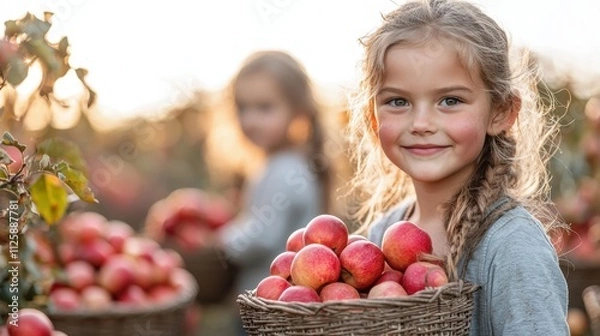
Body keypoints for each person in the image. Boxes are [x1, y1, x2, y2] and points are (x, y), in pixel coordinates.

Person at [346, 0, 569, 334]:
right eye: (398, 101)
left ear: (501, 113)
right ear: (371, 117)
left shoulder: (511, 247)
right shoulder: (381, 238)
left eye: (450, 101)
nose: (421, 123)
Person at [213, 50, 330, 333]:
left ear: (298, 111)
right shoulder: (280, 163)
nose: (250, 119)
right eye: (243, 108)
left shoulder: (285, 169)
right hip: (281, 303)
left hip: (270, 306)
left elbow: (261, 238)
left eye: (264, 108)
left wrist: (220, 240)